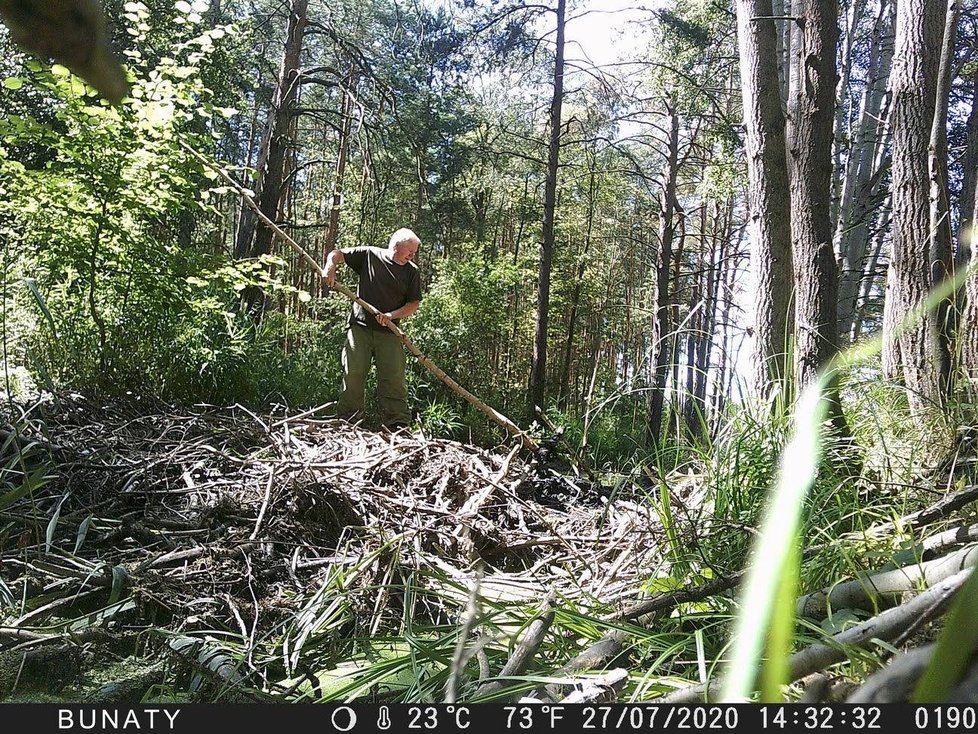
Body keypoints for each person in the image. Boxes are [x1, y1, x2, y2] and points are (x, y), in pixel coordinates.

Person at [323, 228, 423, 429]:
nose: (412, 256)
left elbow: (413, 304)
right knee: (353, 374)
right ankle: (349, 422)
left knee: (393, 379)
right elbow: (337, 254)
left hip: (390, 332)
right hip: (359, 329)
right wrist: (329, 267)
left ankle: (398, 425)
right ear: (396, 246)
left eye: (414, 253)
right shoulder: (369, 255)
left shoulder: (412, 272)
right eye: (409, 251)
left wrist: (391, 316)